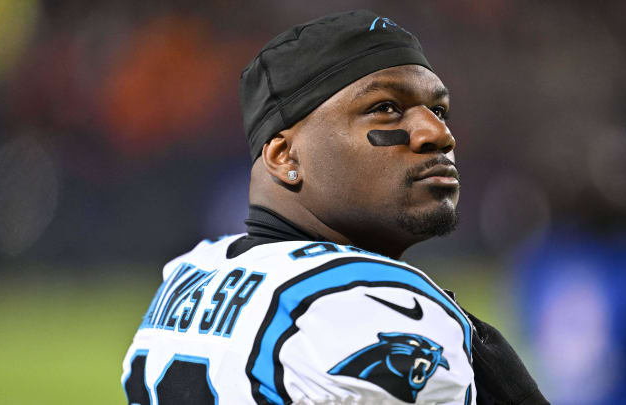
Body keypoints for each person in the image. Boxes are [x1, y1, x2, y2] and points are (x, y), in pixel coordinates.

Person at [121, 10, 548, 405]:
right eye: (385, 108)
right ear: (285, 156)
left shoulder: (192, 274)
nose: (438, 134)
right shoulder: (372, 307)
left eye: (439, 110)